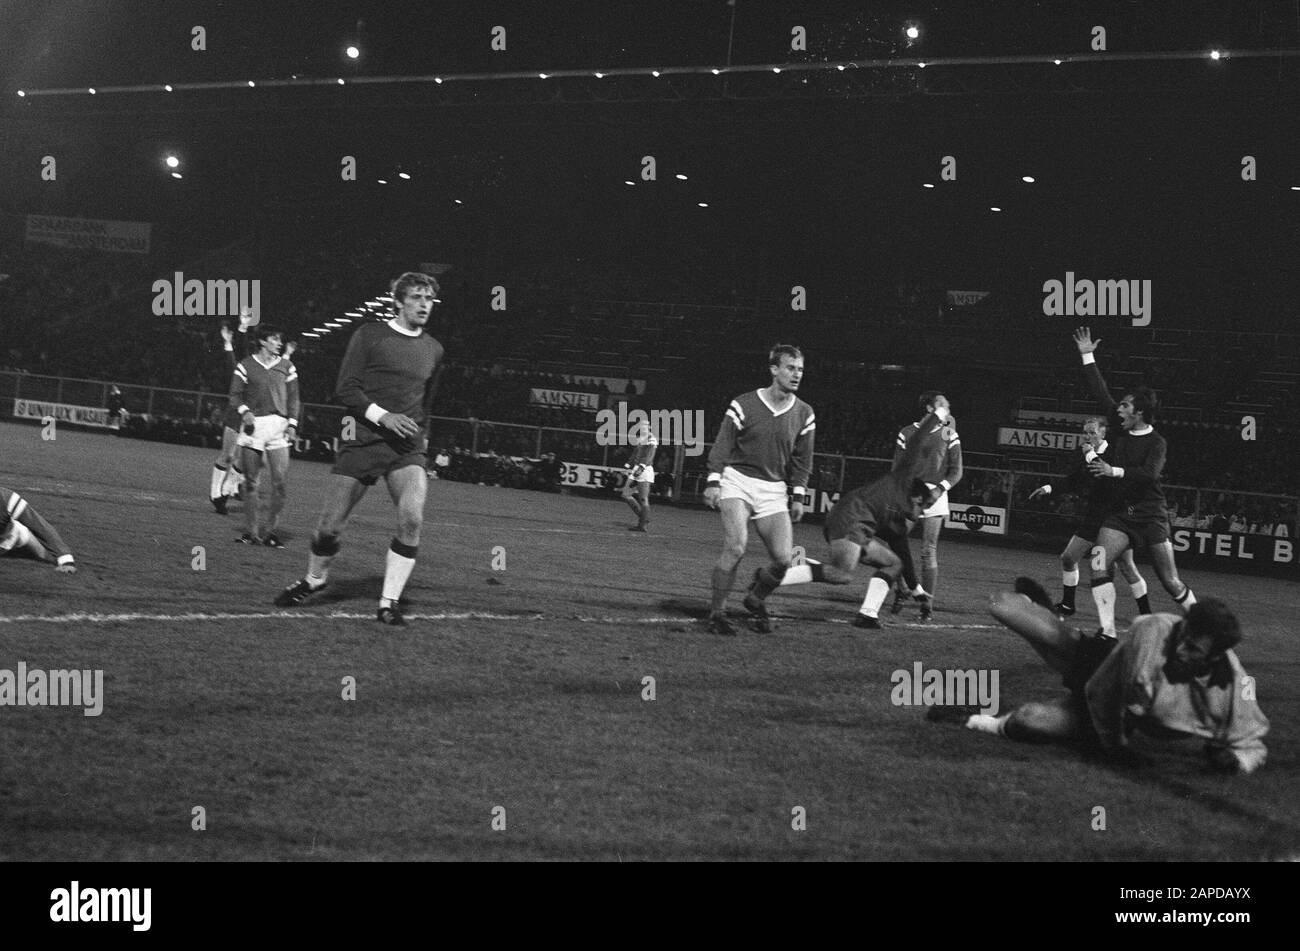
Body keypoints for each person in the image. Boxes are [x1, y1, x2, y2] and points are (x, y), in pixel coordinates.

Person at [956, 579, 1268, 775]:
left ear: (1214, 657)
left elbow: (1251, 744)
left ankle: (979, 721)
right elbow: (1101, 692)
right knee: (1001, 605)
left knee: (1027, 720)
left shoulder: (1231, 686)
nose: (1181, 650)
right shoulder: (1154, 629)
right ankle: (1044, 612)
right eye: (1182, 637)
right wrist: (1116, 746)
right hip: (1106, 664)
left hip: (1121, 708)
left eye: (1194, 649)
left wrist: (1234, 762)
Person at [274, 272, 445, 626]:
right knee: (327, 529)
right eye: (415, 297)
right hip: (365, 441)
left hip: (406, 448)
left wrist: (422, 433)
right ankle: (314, 580)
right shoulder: (370, 335)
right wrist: (384, 417)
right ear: (397, 301)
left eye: (429, 298)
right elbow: (346, 389)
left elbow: (428, 401)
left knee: (412, 519)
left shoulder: (434, 349)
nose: (424, 304)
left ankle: (388, 602)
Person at [745, 406, 946, 628]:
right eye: (923, 506)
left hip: (858, 525)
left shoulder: (897, 519)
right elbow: (917, 441)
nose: (922, 513)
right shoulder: (903, 479)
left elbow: (903, 552)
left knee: (893, 563)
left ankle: (868, 614)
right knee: (841, 574)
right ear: (916, 497)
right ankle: (767, 578)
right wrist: (938, 414)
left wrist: (915, 588)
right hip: (851, 518)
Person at [1073, 327, 1195, 639]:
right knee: (1098, 564)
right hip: (1121, 515)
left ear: (1139, 412)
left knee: (1171, 582)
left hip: (1151, 514)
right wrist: (1087, 354)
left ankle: (1202, 628)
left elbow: (1150, 474)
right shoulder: (1120, 428)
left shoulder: (1157, 442)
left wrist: (1113, 471)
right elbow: (1100, 391)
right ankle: (1108, 631)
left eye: (1125, 406)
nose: (1119, 409)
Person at [702, 344, 815, 636]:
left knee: (783, 560)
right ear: (774, 369)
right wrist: (714, 481)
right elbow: (723, 443)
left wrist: (799, 495)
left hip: (774, 489)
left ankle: (755, 597)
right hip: (737, 480)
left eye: (800, 369)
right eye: (790, 367)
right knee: (736, 546)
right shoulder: (744, 404)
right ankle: (717, 613)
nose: (797, 374)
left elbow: (804, 460)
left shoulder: (804, 413)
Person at [1027, 416, 1152, 618]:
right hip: (1093, 517)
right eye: (1085, 432)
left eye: (1092, 432)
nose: (1087, 436)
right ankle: (1068, 605)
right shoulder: (1082, 452)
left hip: (1114, 520)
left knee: (1124, 567)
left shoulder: (1115, 453)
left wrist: (1090, 454)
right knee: (1068, 558)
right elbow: (1072, 480)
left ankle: (1145, 614)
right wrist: (1048, 488)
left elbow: (1105, 479)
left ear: (1103, 433)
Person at [890, 391, 962, 621]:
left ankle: (926, 604)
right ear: (930, 409)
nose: (948, 410)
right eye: (944, 405)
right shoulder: (907, 432)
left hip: (935, 495)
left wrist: (939, 489)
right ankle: (901, 589)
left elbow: (956, 470)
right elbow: (897, 467)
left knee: (927, 551)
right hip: (910, 494)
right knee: (897, 545)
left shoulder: (949, 433)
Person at [229, 324, 300, 547]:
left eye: (280, 340)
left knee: (279, 483)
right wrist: (245, 412)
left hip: (278, 426)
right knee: (251, 483)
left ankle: (270, 532)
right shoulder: (246, 365)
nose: (279, 343)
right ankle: (251, 533)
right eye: (275, 339)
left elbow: (294, 398)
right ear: (262, 341)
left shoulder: (287, 366)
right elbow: (234, 395)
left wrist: (293, 424)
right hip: (254, 426)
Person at [209, 313, 254, 514]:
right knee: (227, 456)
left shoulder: (261, 369)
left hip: (254, 417)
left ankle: (228, 489)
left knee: (242, 460)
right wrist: (238, 333)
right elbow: (235, 363)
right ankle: (215, 494)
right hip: (236, 414)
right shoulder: (241, 370)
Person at [0, 486, 76, 572]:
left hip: (11, 537)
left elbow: (39, 526)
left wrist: (66, 560)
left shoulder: (6, 498)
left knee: (47, 557)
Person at [621, 420, 658, 532]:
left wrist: (641, 469)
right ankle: (644, 518)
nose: (642, 428)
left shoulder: (652, 439)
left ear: (649, 427)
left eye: (644, 426)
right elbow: (634, 454)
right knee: (626, 495)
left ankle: (642, 525)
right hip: (637, 469)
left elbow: (649, 456)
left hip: (645, 470)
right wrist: (627, 465)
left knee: (643, 498)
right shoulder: (641, 438)